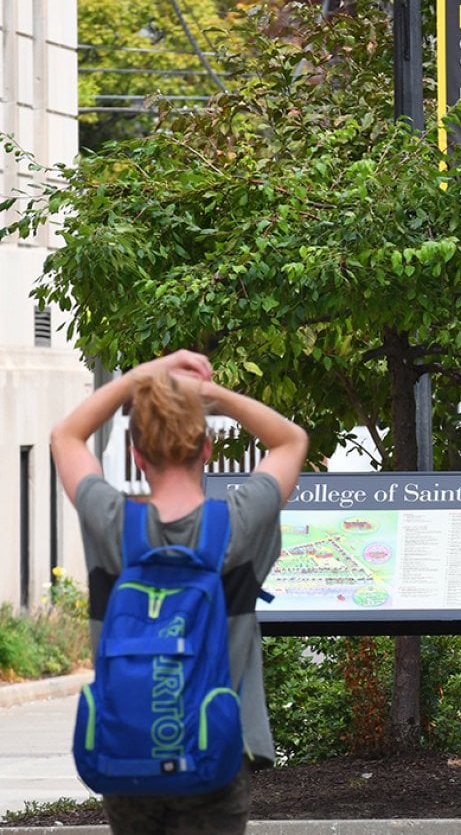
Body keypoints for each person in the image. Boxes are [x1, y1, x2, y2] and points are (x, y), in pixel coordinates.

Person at [50, 350, 309, 835]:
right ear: (206, 448)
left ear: (136, 454)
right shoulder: (237, 522)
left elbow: (65, 436)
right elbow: (290, 440)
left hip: (127, 756)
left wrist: (140, 378)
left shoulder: (110, 521)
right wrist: (210, 395)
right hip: (216, 753)